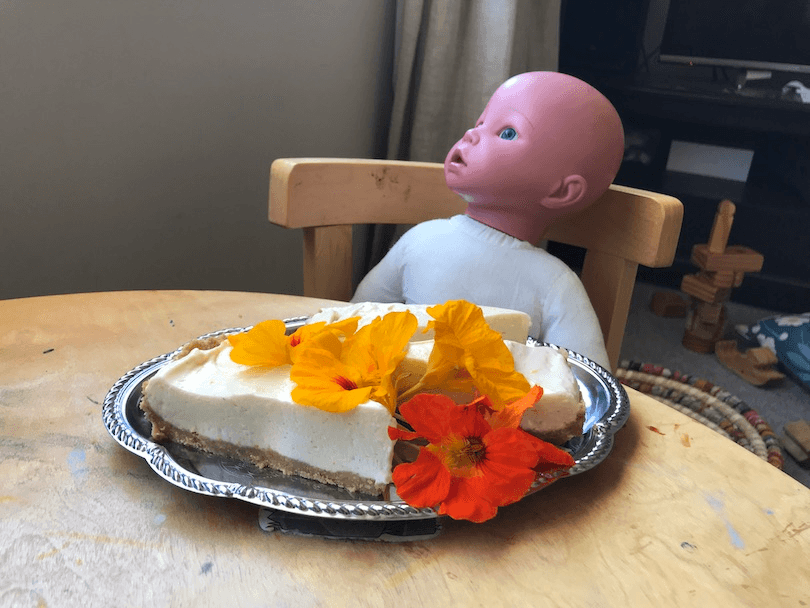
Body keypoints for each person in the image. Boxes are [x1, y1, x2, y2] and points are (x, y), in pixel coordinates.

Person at [352, 71, 624, 369]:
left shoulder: (555, 283)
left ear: (562, 191)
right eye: (480, 122)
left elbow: (586, 380)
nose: (471, 133)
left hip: (494, 412)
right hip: (394, 395)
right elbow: (354, 320)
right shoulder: (420, 239)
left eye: (507, 132)